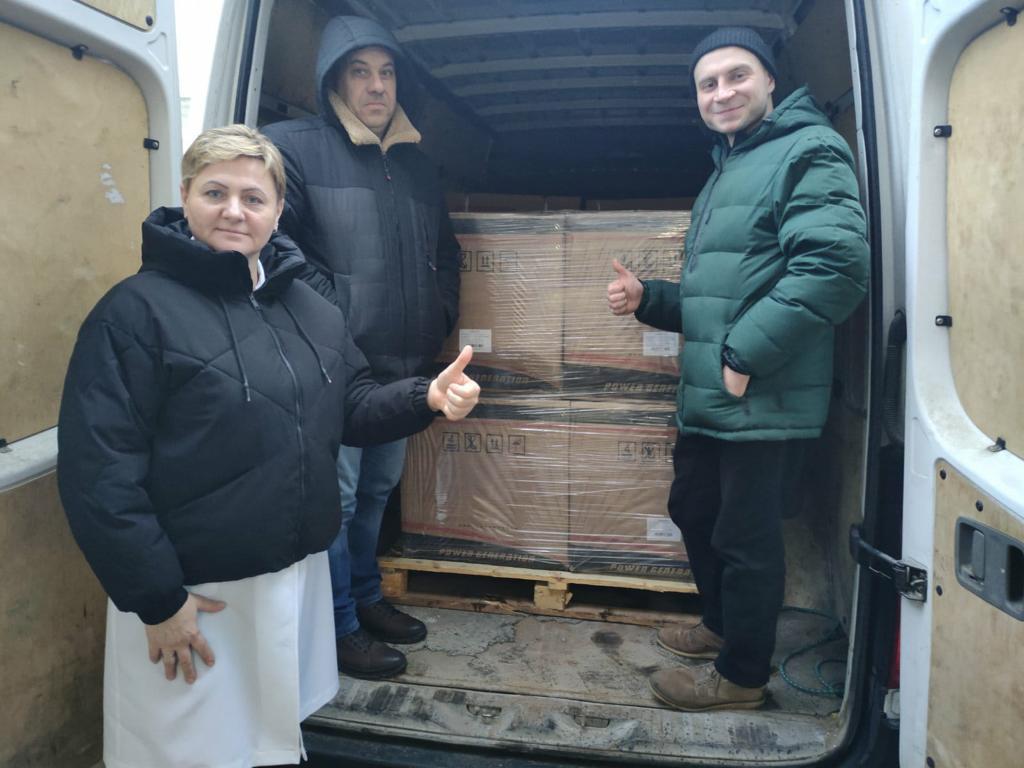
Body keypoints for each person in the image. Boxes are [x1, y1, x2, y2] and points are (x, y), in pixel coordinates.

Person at [57, 124, 479, 768]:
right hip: (195, 596)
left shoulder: (307, 307)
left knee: (272, 738)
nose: (234, 211)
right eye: (215, 192)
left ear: (279, 211)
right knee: (187, 751)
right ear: (184, 196)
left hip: (290, 578)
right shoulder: (135, 313)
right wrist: (158, 600)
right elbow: (100, 474)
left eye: (253, 198)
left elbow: (351, 405)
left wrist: (426, 397)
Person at [607, 27, 869, 712]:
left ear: (771, 80)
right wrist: (649, 299)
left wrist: (744, 353)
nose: (721, 92)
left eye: (737, 75)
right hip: (714, 398)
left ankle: (742, 678)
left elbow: (836, 268)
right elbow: (722, 294)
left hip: (761, 395)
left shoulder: (808, 151)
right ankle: (722, 624)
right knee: (693, 509)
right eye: (708, 83)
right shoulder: (730, 165)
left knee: (745, 538)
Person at [262, 16, 461, 680]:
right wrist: (335, 321)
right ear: (333, 81)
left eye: (387, 72)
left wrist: (440, 315)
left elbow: (445, 255)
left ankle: (367, 596)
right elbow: (275, 248)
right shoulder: (292, 149)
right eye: (360, 72)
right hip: (335, 371)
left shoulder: (417, 164)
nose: (377, 86)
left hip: (403, 369)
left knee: (378, 492)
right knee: (339, 502)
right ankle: (339, 625)